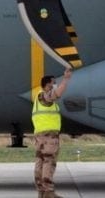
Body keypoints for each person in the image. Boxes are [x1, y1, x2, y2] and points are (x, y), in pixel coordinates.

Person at [32, 67, 72, 198]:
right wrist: (66, 79)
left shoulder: (39, 99)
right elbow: (57, 94)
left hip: (40, 137)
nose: (55, 85)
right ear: (48, 84)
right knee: (49, 162)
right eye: (54, 83)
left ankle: (42, 192)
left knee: (40, 163)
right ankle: (48, 192)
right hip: (49, 137)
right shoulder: (44, 97)